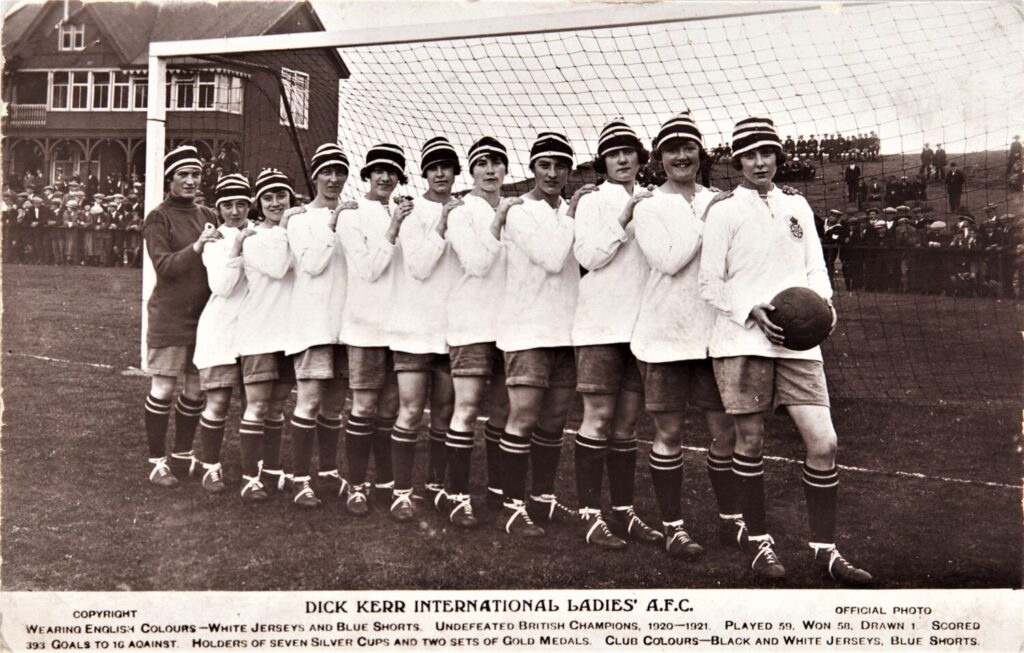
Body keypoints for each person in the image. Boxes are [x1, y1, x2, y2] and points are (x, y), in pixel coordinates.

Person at [698, 117, 872, 585]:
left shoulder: (797, 205)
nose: (760, 162)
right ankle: (759, 543)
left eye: (767, 153)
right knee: (749, 443)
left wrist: (825, 313)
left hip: (800, 347)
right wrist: (749, 310)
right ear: (738, 162)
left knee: (825, 442)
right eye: (750, 155)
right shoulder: (724, 211)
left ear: (778, 157)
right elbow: (709, 282)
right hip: (742, 342)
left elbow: (817, 271)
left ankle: (825, 550)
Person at [630, 111, 742, 559]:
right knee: (670, 432)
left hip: (715, 337)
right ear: (659, 158)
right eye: (671, 148)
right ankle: (673, 526)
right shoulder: (647, 205)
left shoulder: (720, 199)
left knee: (725, 433)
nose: (681, 155)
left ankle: (730, 521)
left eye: (688, 147)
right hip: (664, 336)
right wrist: (708, 214)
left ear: (701, 154)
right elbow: (668, 260)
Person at [571, 118, 661, 548]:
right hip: (599, 327)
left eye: (629, 152)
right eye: (613, 153)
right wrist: (625, 218)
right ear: (602, 162)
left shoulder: (656, 199)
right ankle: (590, 515)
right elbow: (588, 256)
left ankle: (624, 513)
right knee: (599, 418)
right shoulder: (592, 201)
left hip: (641, 328)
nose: (623, 159)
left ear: (640, 157)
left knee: (627, 424)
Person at [495, 132, 583, 537]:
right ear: (532, 169)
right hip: (526, 331)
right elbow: (550, 258)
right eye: (544, 165)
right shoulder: (517, 211)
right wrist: (573, 214)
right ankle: (512, 506)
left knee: (553, 421)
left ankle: (542, 499)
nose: (553, 173)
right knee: (524, 417)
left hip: (566, 331)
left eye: (560, 165)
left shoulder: (570, 209)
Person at [387, 137, 461, 521]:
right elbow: (418, 267)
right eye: (433, 167)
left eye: (446, 166)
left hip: (451, 330)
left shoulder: (466, 209)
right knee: (411, 410)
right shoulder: (411, 213)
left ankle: (437, 488)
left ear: (455, 171)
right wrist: (444, 225)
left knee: (445, 412)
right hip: (414, 327)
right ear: (424, 173)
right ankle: (402, 492)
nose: (440, 173)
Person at [336, 144, 408, 519]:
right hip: (364, 326)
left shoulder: (403, 210)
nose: (385, 177)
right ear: (367, 175)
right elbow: (369, 270)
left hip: (399, 328)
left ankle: (387, 484)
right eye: (378, 170)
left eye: (392, 171)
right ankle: (358, 484)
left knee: (390, 409)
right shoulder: (351, 215)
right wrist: (394, 228)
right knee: (364, 407)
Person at [443, 136, 514, 520]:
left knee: (503, 409)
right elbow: (476, 264)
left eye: (496, 163)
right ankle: (457, 498)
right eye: (482, 164)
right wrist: (500, 221)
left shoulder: (514, 206)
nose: (490, 171)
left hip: (509, 326)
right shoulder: (460, 210)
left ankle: (497, 493)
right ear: (471, 171)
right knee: (467, 408)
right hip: (470, 324)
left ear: (506, 168)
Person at [141, 145, 219, 488]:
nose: (190, 181)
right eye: (183, 175)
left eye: (196, 174)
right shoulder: (158, 217)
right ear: (169, 179)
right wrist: (197, 247)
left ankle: (183, 454)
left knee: (196, 390)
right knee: (163, 387)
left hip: (205, 318)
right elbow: (164, 266)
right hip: (171, 316)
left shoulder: (208, 214)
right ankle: (157, 462)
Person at [285, 143, 357, 503]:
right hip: (312, 326)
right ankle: (301, 480)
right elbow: (312, 264)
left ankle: (328, 474)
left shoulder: (352, 214)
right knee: (309, 403)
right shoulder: (298, 219)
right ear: (314, 177)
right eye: (326, 172)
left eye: (339, 172)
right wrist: (334, 222)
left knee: (334, 406)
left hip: (346, 327)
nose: (333, 179)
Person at [235, 169, 303, 504]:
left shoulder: (289, 231)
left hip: (287, 334)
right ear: (258, 204)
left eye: (282, 195)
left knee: (277, 407)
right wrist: (289, 228)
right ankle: (250, 477)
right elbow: (279, 267)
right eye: (269, 197)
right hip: (258, 332)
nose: (276, 203)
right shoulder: (252, 238)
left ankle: (272, 470)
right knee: (258, 406)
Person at [192, 173, 255, 494]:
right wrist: (239, 248)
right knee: (217, 403)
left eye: (241, 203)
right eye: (228, 205)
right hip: (220, 331)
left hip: (255, 333)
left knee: (255, 406)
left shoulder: (261, 232)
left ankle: (254, 473)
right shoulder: (214, 241)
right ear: (219, 208)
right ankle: (210, 468)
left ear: (250, 204)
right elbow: (222, 286)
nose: (235, 210)